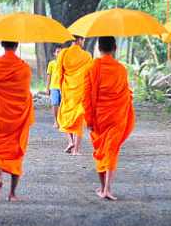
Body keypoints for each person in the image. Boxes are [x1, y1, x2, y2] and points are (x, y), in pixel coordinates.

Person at [0, 41, 35, 202]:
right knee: (16, 153)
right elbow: (26, 95)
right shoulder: (24, 68)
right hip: (18, 120)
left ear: (2, 45)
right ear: (17, 45)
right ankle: (12, 194)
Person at [83, 36, 135, 201]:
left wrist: (89, 119)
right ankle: (106, 188)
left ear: (99, 48)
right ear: (114, 49)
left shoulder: (91, 68)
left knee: (100, 151)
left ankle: (103, 187)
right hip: (117, 116)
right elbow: (126, 93)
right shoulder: (121, 69)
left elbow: (86, 97)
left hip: (99, 117)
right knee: (111, 150)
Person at [56, 36, 92, 155]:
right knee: (78, 120)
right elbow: (90, 73)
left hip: (67, 89)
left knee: (66, 115)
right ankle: (75, 150)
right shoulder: (87, 56)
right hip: (81, 90)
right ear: (79, 40)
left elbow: (59, 72)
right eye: (83, 40)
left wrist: (60, 87)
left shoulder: (63, 53)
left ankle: (70, 141)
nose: (84, 42)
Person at [45, 45, 63, 128]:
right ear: (54, 53)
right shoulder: (51, 63)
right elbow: (49, 76)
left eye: (60, 52)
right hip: (54, 87)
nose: (59, 54)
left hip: (63, 87)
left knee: (62, 105)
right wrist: (47, 88)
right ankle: (55, 121)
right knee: (55, 103)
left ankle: (61, 121)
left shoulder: (64, 63)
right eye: (57, 52)